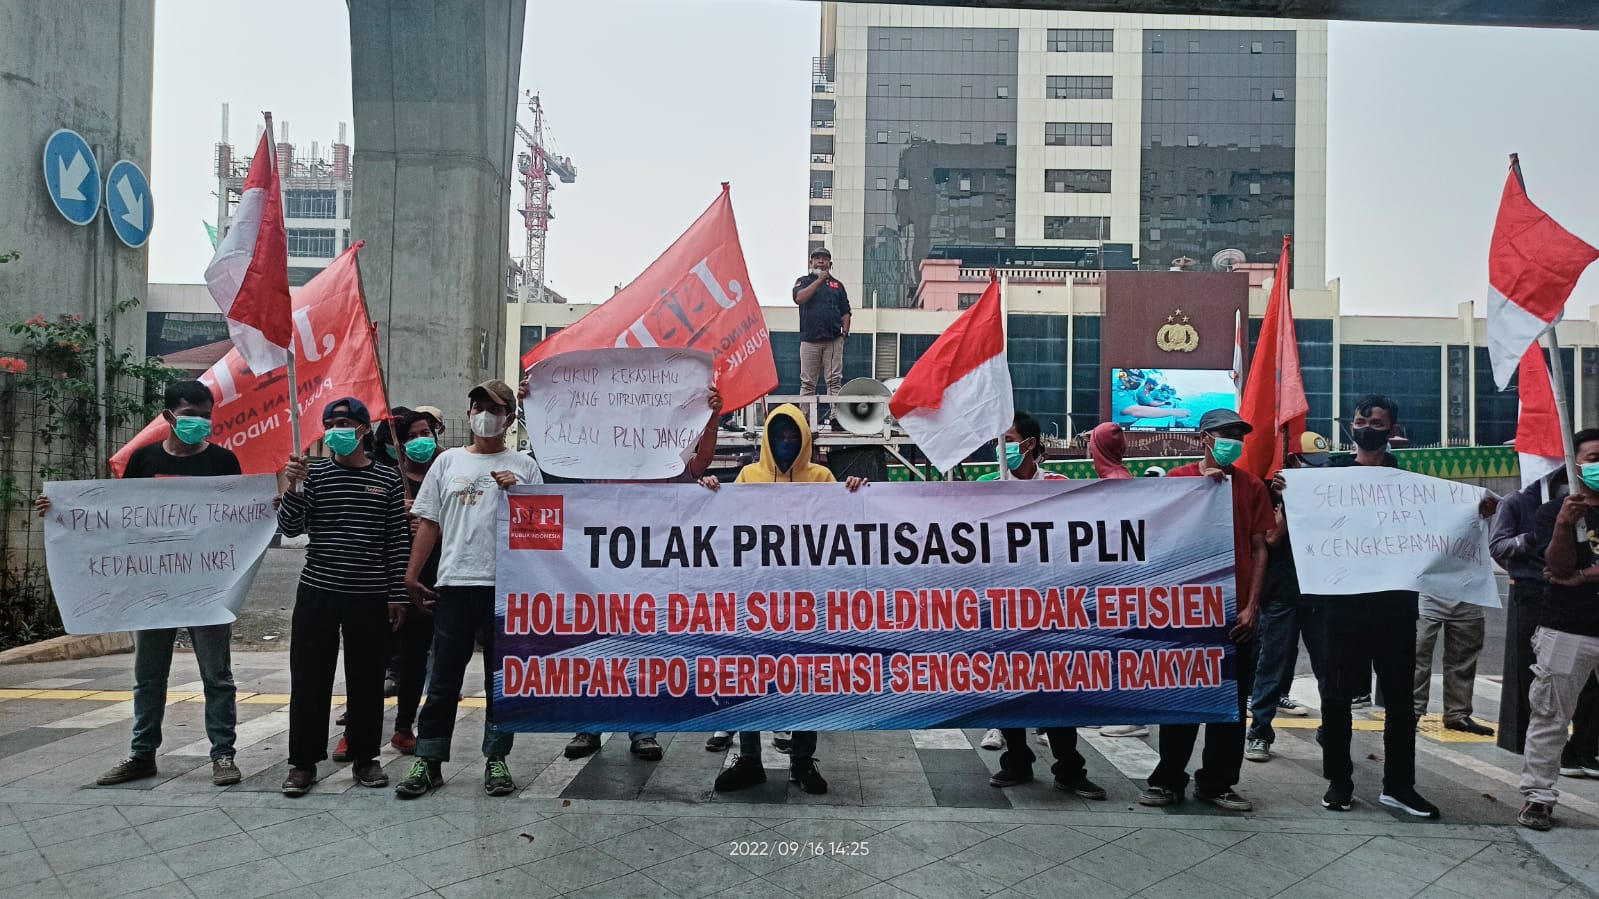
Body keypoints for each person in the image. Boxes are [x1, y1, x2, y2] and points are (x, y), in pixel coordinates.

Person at [34, 380, 243, 788]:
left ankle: (223, 755)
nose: (200, 423)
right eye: (190, 415)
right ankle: (142, 753)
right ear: (168, 416)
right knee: (148, 676)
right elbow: (117, 516)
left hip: (207, 586)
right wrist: (59, 512)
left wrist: (265, 510)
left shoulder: (223, 461)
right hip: (151, 587)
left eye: (206, 416)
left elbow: (238, 518)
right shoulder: (144, 459)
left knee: (217, 676)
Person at [699, 404, 866, 795]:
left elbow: (843, 523)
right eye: (779, 436)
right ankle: (750, 760)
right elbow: (725, 523)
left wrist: (855, 492)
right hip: (756, 598)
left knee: (806, 677)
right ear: (768, 440)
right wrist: (710, 493)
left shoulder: (822, 477)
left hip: (806, 599)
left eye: (793, 436)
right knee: (749, 676)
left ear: (804, 439)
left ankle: (803, 761)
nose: (786, 443)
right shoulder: (748, 476)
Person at [560, 384, 725, 762]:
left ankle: (644, 731)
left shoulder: (667, 463)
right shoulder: (599, 462)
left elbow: (700, 462)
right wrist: (536, 406)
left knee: (643, 652)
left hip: (649, 578)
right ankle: (588, 728)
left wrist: (713, 416)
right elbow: (561, 453)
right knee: (595, 651)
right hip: (600, 576)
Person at [394, 379, 543, 799]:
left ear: (509, 419)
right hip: (455, 585)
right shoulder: (447, 463)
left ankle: (497, 758)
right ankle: (429, 759)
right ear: (468, 414)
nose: (486, 416)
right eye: (479, 407)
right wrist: (411, 575)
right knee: (443, 679)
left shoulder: (526, 467)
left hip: (507, 589)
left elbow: (543, 531)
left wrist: (521, 495)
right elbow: (429, 522)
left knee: (501, 680)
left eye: (495, 409)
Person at [1309, 394, 1436, 817]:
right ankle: (1339, 780)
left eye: (1377, 423)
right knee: (1336, 697)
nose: (1367, 428)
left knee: (1400, 700)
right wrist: (1286, 494)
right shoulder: (1328, 477)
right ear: (1351, 426)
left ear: (1392, 430)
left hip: (1395, 608)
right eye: (1361, 421)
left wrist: (1478, 511)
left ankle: (1399, 785)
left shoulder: (1410, 484)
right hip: (1342, 607)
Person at [276, 398, 409, 796]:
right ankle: (302, 763)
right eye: (331, 423)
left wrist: (397, 594)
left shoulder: (387, 479)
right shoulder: (313, 474)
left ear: (364, 429)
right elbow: (291, 528)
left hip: (369, 594)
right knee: (309, 678)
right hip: (318, 590)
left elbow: (396, 541)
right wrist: (292, 486)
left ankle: (366, 757)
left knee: (367, 680)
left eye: (345, 422)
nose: (337, 429)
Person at [1138, 408, 1267, 812]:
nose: (1233, 442)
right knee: (1181, 699)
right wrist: (1199, 492)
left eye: (1238, 435)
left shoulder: (1251, 486)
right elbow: (1155, 538)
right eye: (1225, 434)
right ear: (1203, 439)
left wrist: (1252, 607)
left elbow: (1261, 548)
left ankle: (1217, 782)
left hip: (1234, 616)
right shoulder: (1178, 482)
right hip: (1187, 613)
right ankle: (1167, 778)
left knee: (1231, 704)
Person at [1518, 430, 1599, 831]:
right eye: (1594, 458)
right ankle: (1538, 798)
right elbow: (1557, 567)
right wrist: (1566, 526)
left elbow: (1573, 575)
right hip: (1567, 628)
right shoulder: (1554, 512)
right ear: (1576, 464)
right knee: (1550, 715)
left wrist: (1585, 576)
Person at [1244, 432, 1330, 764]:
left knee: (1328, 667)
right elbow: (1271, 538)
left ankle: (1331, 728)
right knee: (1271, 665)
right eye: (1310, 463)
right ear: (1293, 461)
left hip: (1320, 593)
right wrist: (1291, 501)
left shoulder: (1329, 492)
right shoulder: (1272, 493)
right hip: (1281, 594)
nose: (1317, 470)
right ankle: (1260, 732)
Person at [1082, 421, 1152, 740]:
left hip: (1121, 584)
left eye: (1091, 444)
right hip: (1111, 584)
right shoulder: (1114, 480)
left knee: (1123, 650)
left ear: (1098, 448)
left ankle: (1134, 715)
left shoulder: (1116, 484)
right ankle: (1112, 709)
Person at [389, 408, 444, 754]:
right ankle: (400, 725)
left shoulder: (448, 473)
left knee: (441, 659)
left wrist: (433, 526)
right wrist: (400, 517)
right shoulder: (391, 480)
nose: (419, 441)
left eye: (425, 433)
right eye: (410, 436)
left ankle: (431, 729)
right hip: (401, 581)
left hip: (443, 576)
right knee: (407, 656)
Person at [1413, 593, 1493, 735]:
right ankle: (1411, 711)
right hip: (1427, 593)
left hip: (1469, 595)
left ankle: (1457, 713)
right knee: (1417, 654)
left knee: (1464, 659)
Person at [793, 247, 851, 417]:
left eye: (824, 259)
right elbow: (799, 298)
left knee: (834, 381)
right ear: (810, 262)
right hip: (809, 340)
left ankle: (836, 417)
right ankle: (804, 418)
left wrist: (844, 333)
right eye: (817, 258)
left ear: (830, 263)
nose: (820, 261)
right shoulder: (803, 281)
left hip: (833, 340)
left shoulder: (837, 285)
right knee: (808, 383)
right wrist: (819, 280)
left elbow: (846, 311)